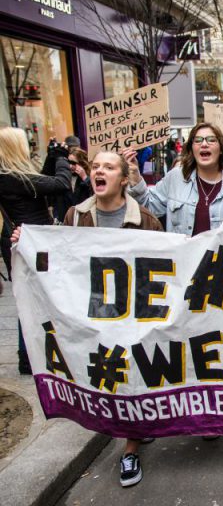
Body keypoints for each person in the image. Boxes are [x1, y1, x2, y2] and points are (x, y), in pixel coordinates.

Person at [13, 150, 163, 487]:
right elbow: (60, 259)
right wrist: (27, 245)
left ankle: (130, 449)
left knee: (131, 378)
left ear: (124, 179)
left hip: (131, 317)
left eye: (109, 167)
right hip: (92, 316)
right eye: (96, 166)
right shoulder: (75, 216)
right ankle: (134, 429)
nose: (99, 171)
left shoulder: (147, 220)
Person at [0, 127, 71, 374]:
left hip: (27, 242)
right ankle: (28, 359)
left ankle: (28, 357)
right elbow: (60, 184)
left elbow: (41, 181)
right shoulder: (11, 177)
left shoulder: (12, 177)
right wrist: (63, 158)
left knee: (29, 296)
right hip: (31, 244)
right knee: (32, 298)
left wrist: (52, 156)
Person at [126, 123, 223, 235]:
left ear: (220, 149)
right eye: (197, 140)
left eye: (211, 140)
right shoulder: (175, 178)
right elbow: (148, 206)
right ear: (192, 149)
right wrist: (136, 177)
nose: (204, 144)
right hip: (183, 260)